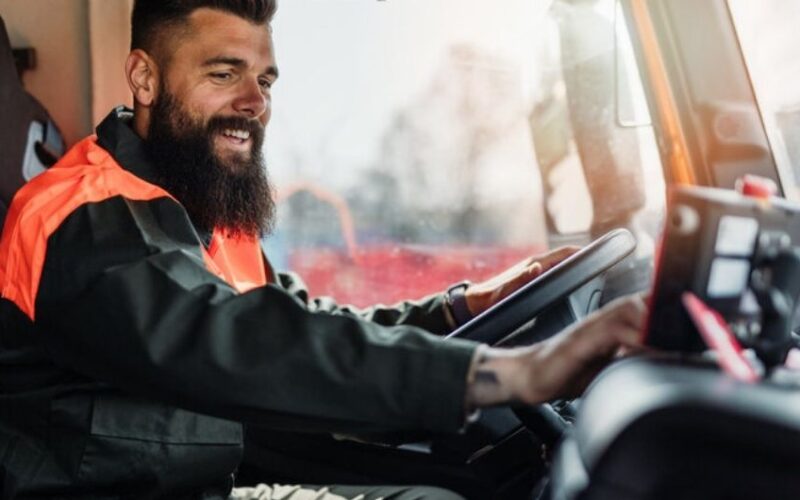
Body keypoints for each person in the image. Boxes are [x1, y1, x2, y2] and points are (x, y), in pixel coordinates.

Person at [0, 1, 645, 498]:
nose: (254, 103)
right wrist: (513, 372)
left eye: (266, 80)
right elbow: (240, 345)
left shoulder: (206, 209)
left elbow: (306, 328)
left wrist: (464, 306)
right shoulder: (74, 220)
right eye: (224, 74)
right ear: (144, 78)